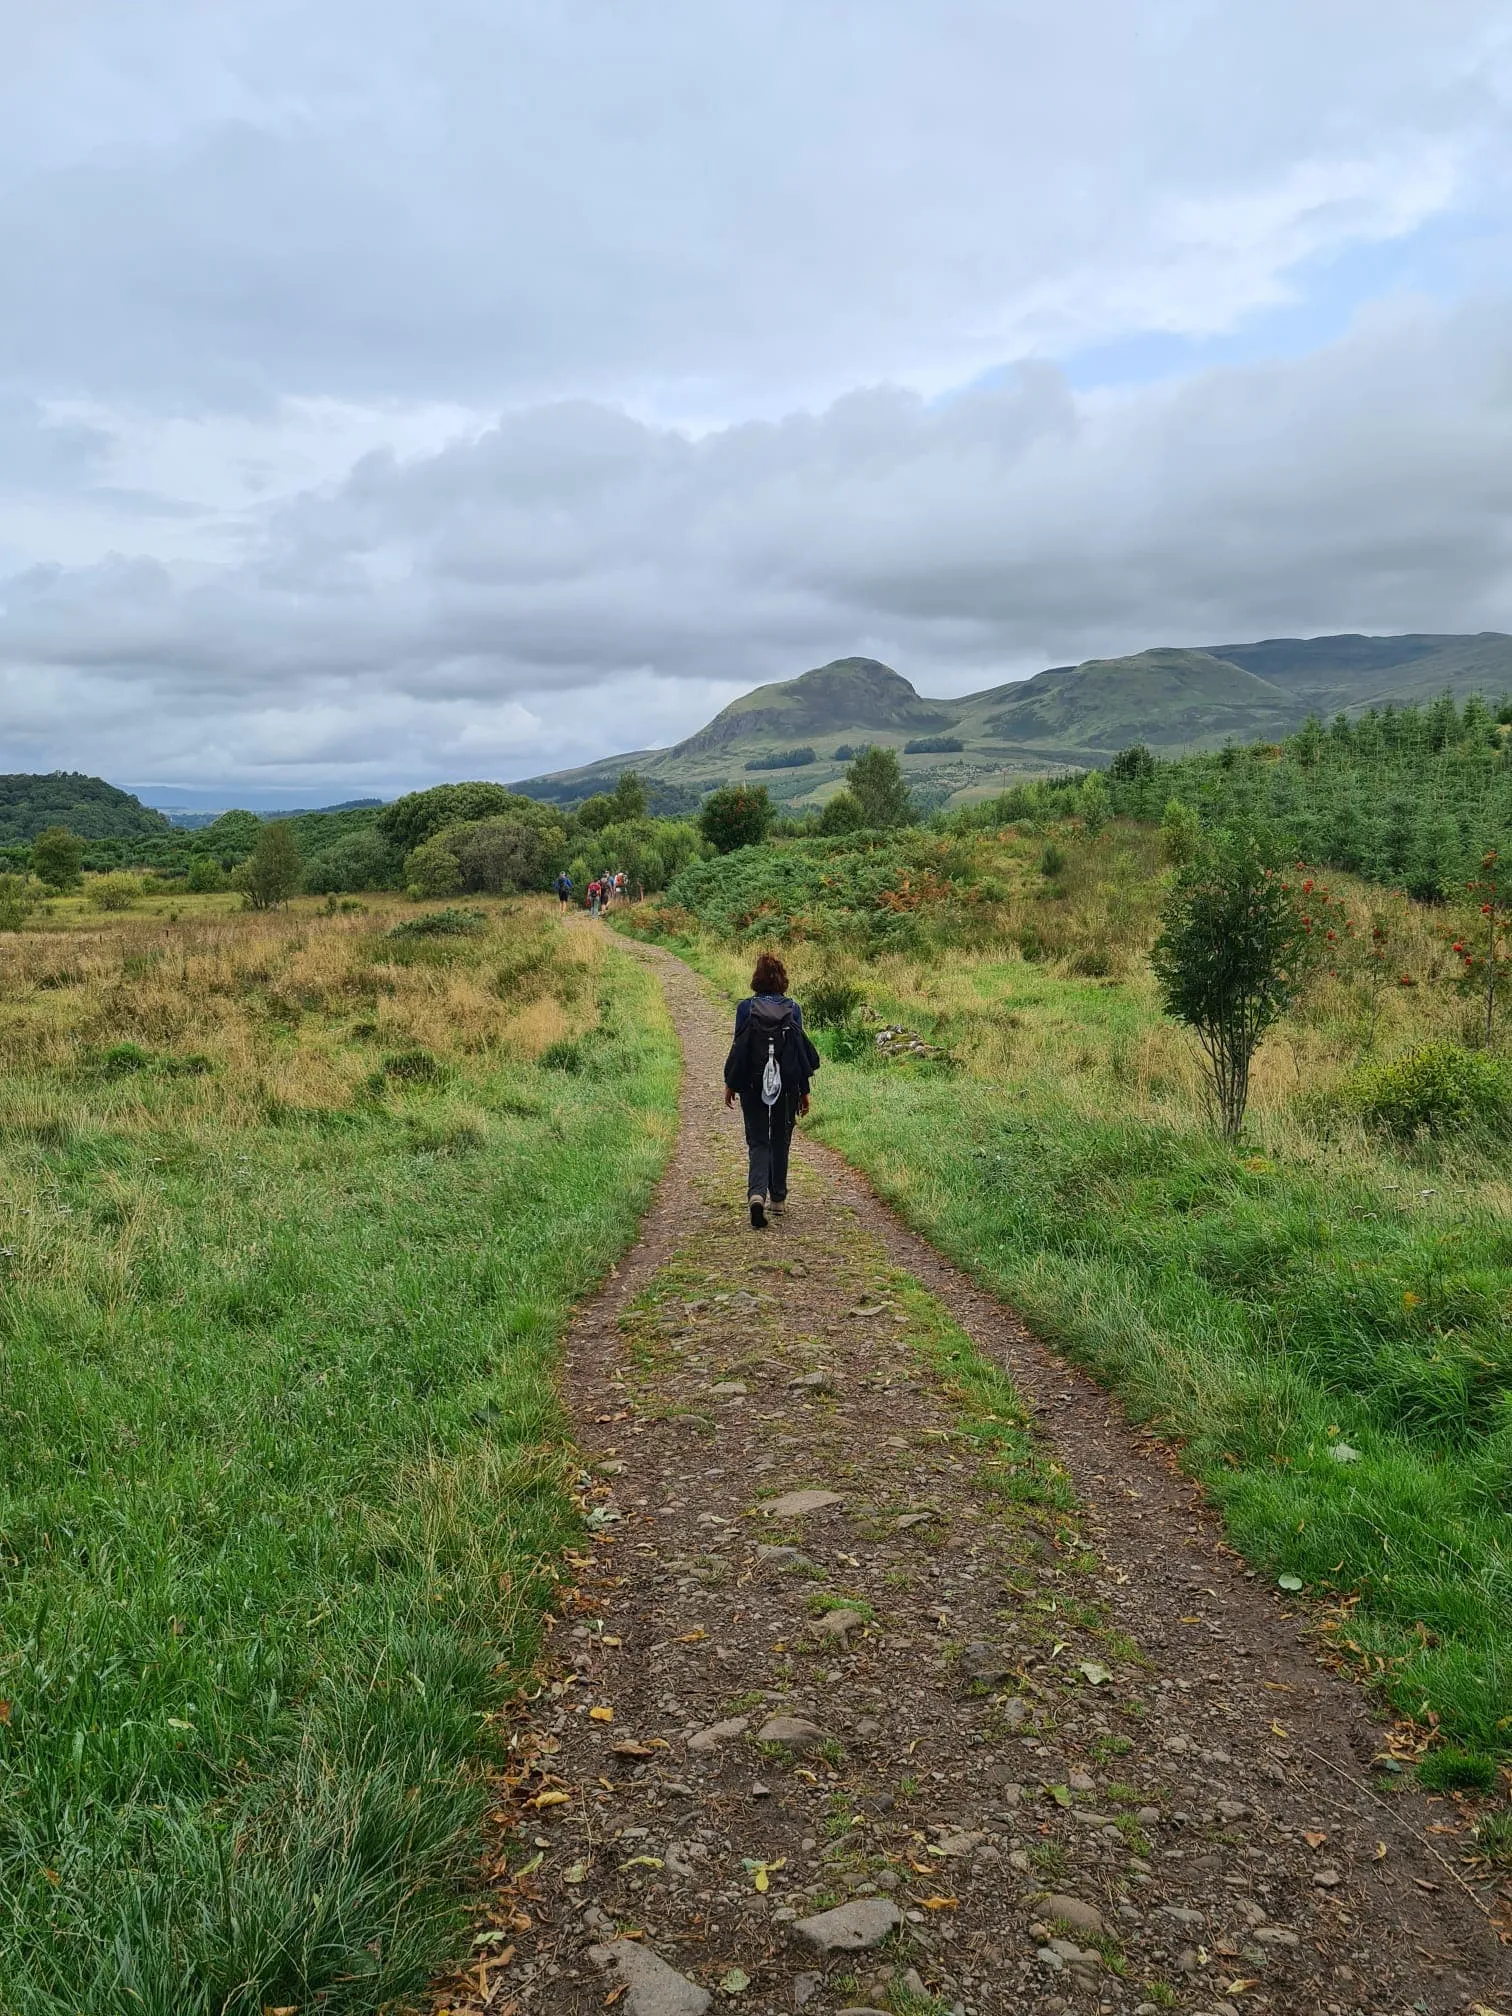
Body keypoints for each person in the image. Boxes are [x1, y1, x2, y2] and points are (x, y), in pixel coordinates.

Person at [723, 951, 820, 1229]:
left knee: (758, 1141)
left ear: (756, 979)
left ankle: (756, 1194)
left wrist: (731, 1083)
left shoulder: (745, 1008)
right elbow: (799, 1054)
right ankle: (777, 1199)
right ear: (782, 980)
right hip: (787, 1084)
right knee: (781, 1138)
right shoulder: (793, 1009)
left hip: (752, 1082)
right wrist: (804, 1091)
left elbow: (738, 1049)